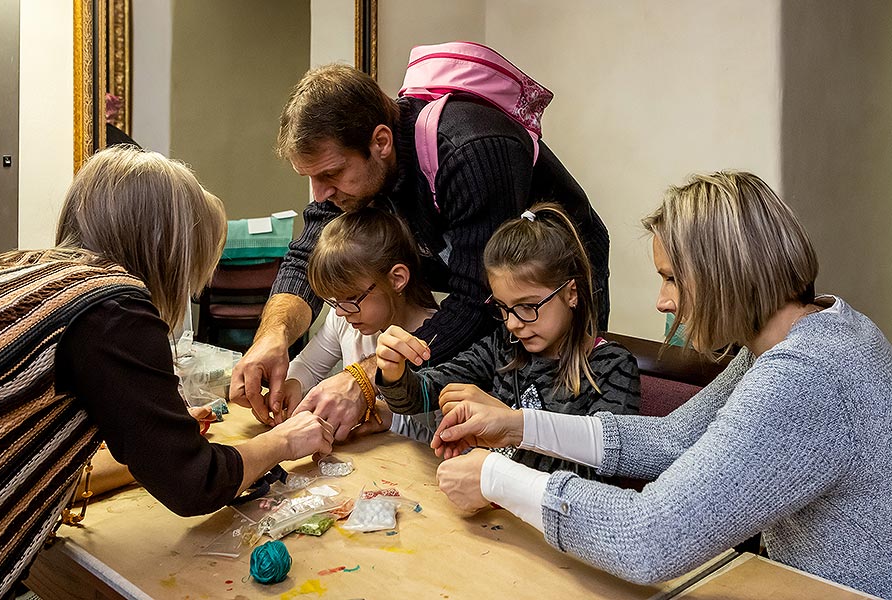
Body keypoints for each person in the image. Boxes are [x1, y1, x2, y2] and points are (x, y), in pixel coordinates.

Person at [430, 172, 892, 597]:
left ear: (725, 273)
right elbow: (674, 439)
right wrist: (519, 426)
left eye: (672, 278)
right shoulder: (815, 330)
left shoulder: (804, 374)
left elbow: (648, 541)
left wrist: (497, 477)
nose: (662, 301)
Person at [0, 146, 333, 600]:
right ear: (165, 249)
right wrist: (286, 441)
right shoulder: (114, 307)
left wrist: (159, 438)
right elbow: (196, 483)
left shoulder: (23, 267)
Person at [231, 62, 610, 439]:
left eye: (330, 174)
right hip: (486, 301)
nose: (320, 193)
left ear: (380, 142)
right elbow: (305, 255)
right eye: (310, 178)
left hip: (557, 290)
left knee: (552, 411)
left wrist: (364, 378)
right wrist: (272, 336)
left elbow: (478, 301)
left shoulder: (472, 150)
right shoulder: (352, 168)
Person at [374, 203, 639, 480]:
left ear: (571, 292)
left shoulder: (612, 367)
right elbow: (421, 395)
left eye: (528, 307)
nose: (513, 323)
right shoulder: (504, 346)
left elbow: (594, 483)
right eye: (503, 307)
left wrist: (509, 425)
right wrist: (394, 372)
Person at [281, 207, 442, 442]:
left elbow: (448, 442)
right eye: (334, 300)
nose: (340, 311)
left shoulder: (438, 339)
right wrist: (289, 388)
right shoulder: (345, 319)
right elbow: (308, 366)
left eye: (351, 298)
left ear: (397, 279)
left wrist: (388, 418)